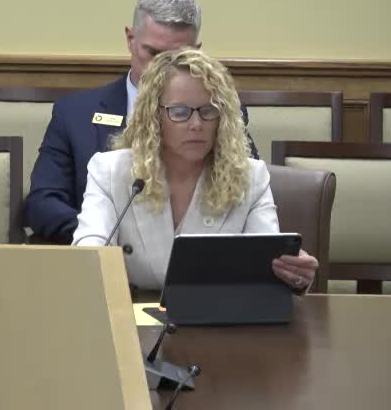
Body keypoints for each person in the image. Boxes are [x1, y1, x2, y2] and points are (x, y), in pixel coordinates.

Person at [24, 0, 259, 244]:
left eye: (178, 57)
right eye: (153, 53)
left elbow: (246, 194)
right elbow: (43, 203)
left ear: (197, 53)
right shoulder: (75, 114)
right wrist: (109, 234)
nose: (163, 68)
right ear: (130, 39)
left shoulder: (219, 112)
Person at [72, 49, 318, 291]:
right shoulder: (110, 171)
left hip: (217, 312)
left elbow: (265, 268)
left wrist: (292, 273)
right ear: (154, 117)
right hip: (130, 311)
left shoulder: (250, 177)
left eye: (209, 111)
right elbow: (89, 251)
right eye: (180, 112)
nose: (196, 124)